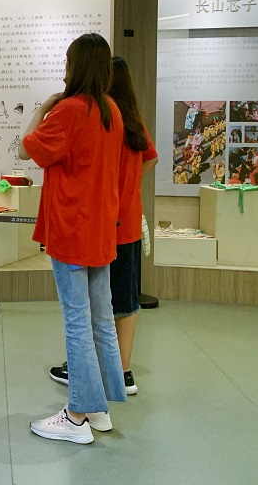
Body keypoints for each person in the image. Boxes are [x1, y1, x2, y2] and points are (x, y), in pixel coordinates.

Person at [20, 33, 126, 444]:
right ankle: (98, 408)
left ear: (75, 65)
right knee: (101, 320)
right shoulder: (111, 110)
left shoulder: (68, 111)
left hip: (71, 228)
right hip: (100, 229)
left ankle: (77, 415)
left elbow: (27, 149)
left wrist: (43, 108)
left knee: (77, 322)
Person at [48, 56, 158, 398]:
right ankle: (120, 374)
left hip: (101, 223)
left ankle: (92, 378)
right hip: (126, 220)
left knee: (87, 311)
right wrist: (129, 189)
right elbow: (151, 158)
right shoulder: (131, 120)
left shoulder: (103, 118)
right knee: (123, 301)